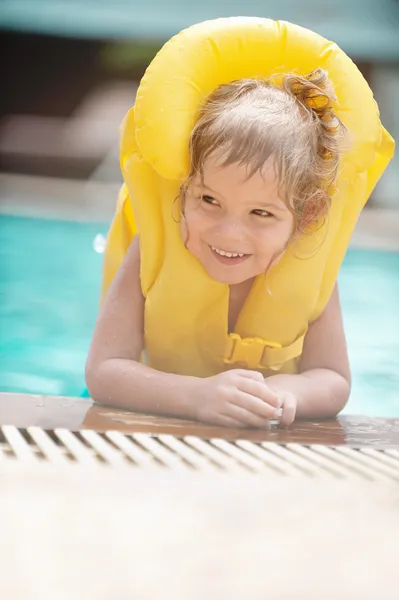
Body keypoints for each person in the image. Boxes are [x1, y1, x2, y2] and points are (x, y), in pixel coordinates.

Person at [85, 18, 394, 428]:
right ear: (184, 189)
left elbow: (333, 379)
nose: (228, 233)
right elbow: (104, 371)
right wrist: (196, 397)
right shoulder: (156, 247)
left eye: (261, 213)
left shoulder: (310, 264)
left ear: (307, 215)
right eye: (208, 199)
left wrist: (286, 394)